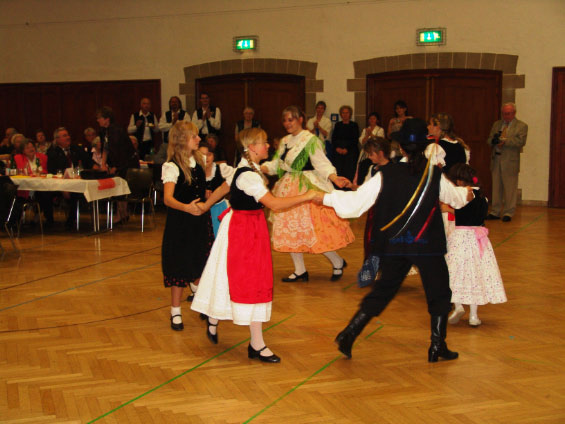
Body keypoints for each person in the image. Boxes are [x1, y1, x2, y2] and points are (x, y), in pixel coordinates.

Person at [316, 118, 473, 362]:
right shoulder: (434, 174)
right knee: (439, 292)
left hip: (395, 245)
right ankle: (437, 345)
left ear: (400, 148)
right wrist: (467, 193)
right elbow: (456, 198)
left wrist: (324, 198)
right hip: (427, 244)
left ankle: (349, 333)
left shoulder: (385, 174)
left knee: (384, 290)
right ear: (425, 146)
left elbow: (355, 204)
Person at [192, 128, 317, 363]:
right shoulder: (247, 175)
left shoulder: (248, 169)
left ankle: (223, 323)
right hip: (242, 231)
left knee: (242, 279)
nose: (268, 145)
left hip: (250, 228)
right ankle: (253, 342)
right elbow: (274, 204)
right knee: (248, 281)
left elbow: (224, 188)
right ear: (251, 147)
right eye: (264, 142)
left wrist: (206, 206)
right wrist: (307, 196)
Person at [261, 106, 354, 282]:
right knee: (291, 229)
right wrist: (262, 167)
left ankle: (337, 261)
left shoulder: (310, 140)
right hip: (288, 188)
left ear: (300, 119)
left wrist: (334, 178)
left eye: (291, 119)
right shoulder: (285, 140)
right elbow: (277, 164)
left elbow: (322, 163)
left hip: (307, 187)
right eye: (285, 120)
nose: (287, 123)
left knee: (315, 230)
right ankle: (300, 270)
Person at [161, 121, 228, 332]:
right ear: (182, 140)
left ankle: (199, 293)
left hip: (199, 220)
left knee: (201, 260)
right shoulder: (172, 166)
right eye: (194, 136)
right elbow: (168, 199)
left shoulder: (198, 160)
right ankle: (175, 311)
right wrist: (186, 207)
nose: (199, 139)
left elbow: (201, 186)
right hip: (180, 222)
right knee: (178, 266)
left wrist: (205, 197)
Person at [445, 164, 507, 327]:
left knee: (454, 272)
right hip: (478, 239)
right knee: (475, 275)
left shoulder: (464, 195)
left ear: (459, 181)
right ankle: (473, 316)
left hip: (461, 238)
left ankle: (458, 306)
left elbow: (463, 213)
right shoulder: (482, 197)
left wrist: (447, 209)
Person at [486, 102, 528, 222]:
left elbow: (521, 142)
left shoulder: (521, 126)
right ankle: (495, 211)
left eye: (508, 114)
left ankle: (508, 212)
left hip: (510, 161)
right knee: (496, 187)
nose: (506, 116)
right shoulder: (497, 124)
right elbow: (489, 139)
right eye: (504, 114)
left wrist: (505, 141)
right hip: (496, 159)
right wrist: (494, 141)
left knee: (510, 188)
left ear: (514, 113)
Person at [97, 106, 139, 223]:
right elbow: (105, 149)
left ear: (107, 119)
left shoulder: (116, 130)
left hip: (127, 163)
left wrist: (116, 166)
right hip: (118, 162)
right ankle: (122, 213)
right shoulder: (103, 131)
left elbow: (121, 151)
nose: (98, 120)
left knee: (121, 186)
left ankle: (121, 214)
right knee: (117, 185)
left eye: (100, 118)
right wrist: (103, 164)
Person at [47, 127, 93, 228]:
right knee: (44, 193)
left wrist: (97, 167)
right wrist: (63, 186)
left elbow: (89, 162)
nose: (68, 137)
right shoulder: (52, 152)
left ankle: (71, 220)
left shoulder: (76, 148)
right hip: (59, 184)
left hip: (76, 182)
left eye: (68, 135)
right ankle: (49, 221)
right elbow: (52, 171)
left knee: (75, 192)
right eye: (64, 136)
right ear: (57, 139)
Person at [198, 141, 227, 237]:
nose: (206, 158)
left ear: (213, 156)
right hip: (200, 211)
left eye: (209, 154)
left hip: (219, 210)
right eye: (202, 155)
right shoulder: (194, 172)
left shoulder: (221, 169)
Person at [331, 105, 360, 183]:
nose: (345, 114)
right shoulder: (337, 125)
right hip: (338, 151)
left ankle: (348, 186)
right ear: (341, 114)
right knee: (338, 171)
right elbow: (334, 138)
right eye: (343, 113)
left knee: (349, 172)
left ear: (350, 114)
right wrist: (337, 148)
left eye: (347, 113)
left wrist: (346, 149)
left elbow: (355, 140)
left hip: (350, 151)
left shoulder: (354, 125)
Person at [355, 112, 385, 185]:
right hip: (365, 153)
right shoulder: (365, 130)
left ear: (377, 120)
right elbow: (362, 142)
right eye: (370, 118)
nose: (372, 120)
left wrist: (371, 134)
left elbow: (380, 141)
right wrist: (367, 135)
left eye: (374, 118)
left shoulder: (380, 129)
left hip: (375, 153)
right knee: (362, 169)